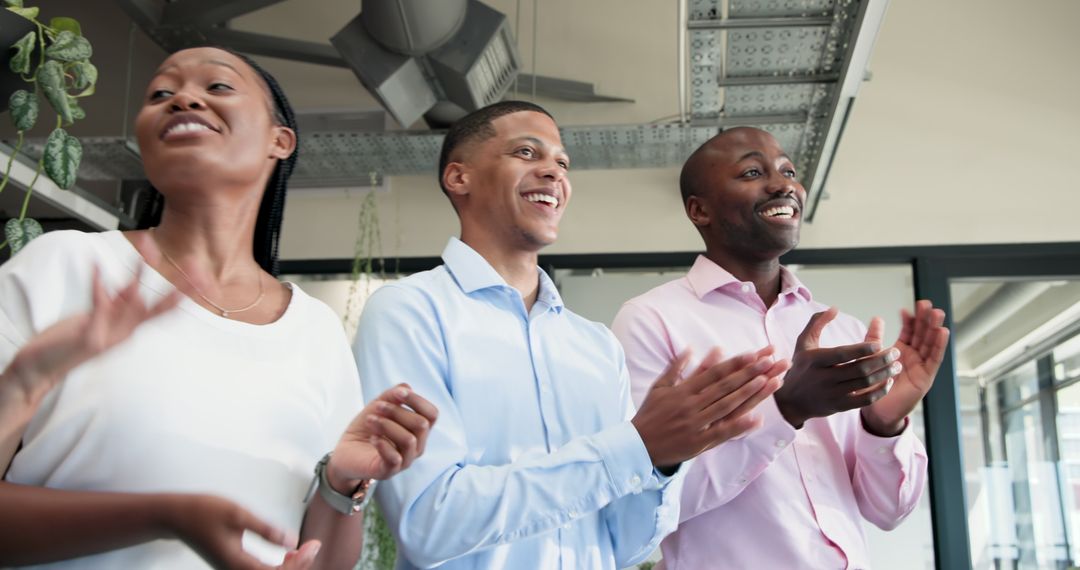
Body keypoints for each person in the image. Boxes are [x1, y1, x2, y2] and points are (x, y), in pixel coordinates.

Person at [0, 47, 437, 569]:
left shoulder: (315, 331)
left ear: (281, 140)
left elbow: (319, 563)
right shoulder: (65, 266)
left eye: (218, 87)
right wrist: (169, 516)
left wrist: (340, 484)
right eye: (160, 94)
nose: (182, 98)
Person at [352, 101, 790, 569]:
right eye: (526, 152)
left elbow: (626, 546)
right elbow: (430, 524)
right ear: (460, 178)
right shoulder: (410, 313)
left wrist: (662, 462)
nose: (553, 173)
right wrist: (634, 448)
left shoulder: (595, 346)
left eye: (562, 163)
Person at [611, 127, 950, 569]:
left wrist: (883, 424)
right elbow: (644, 504)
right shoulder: (652, 321)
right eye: (753, 172)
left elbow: (888, 511)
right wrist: (785, 409)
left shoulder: (839, 329)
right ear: (700, 210)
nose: (782, 183)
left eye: (788, 170)